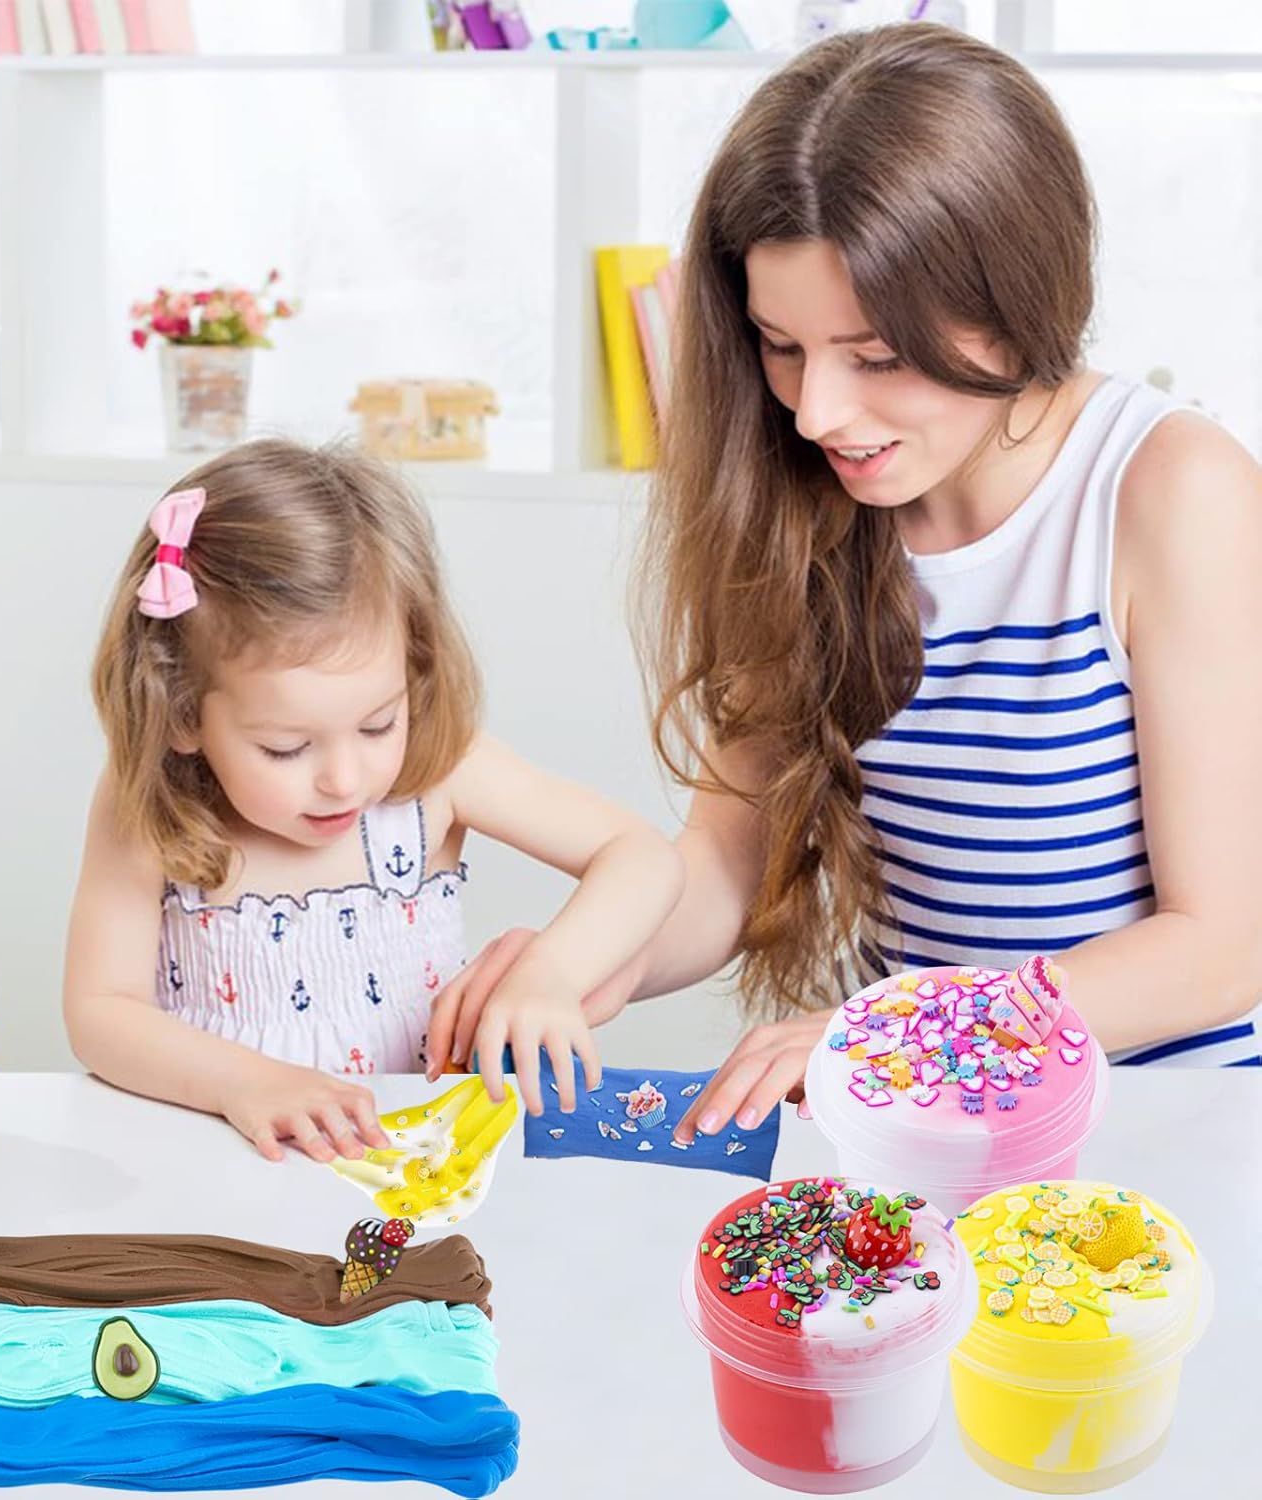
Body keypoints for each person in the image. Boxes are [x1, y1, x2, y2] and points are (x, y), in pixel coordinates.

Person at [429, 23, 1262, 1140]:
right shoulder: (807, 500)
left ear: (1019, 304)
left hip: (1160, 1130)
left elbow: (1220, 950)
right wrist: (580, 962)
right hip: (910, 1126)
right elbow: (727, 865)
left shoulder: (1169, 491)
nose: (816, 412)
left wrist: (901, 1033)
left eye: (876, 358)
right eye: (781, 346)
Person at [64, 439, 683, 1161]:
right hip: (228, 1164)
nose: (345, 779)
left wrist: (551, 972)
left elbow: (642, 857)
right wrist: (246, 1083)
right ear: (180, 712)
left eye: (378, 724)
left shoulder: (437, 774)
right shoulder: (152, 804)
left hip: (419, 1167)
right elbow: (100, 1012)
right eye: (286, 748)